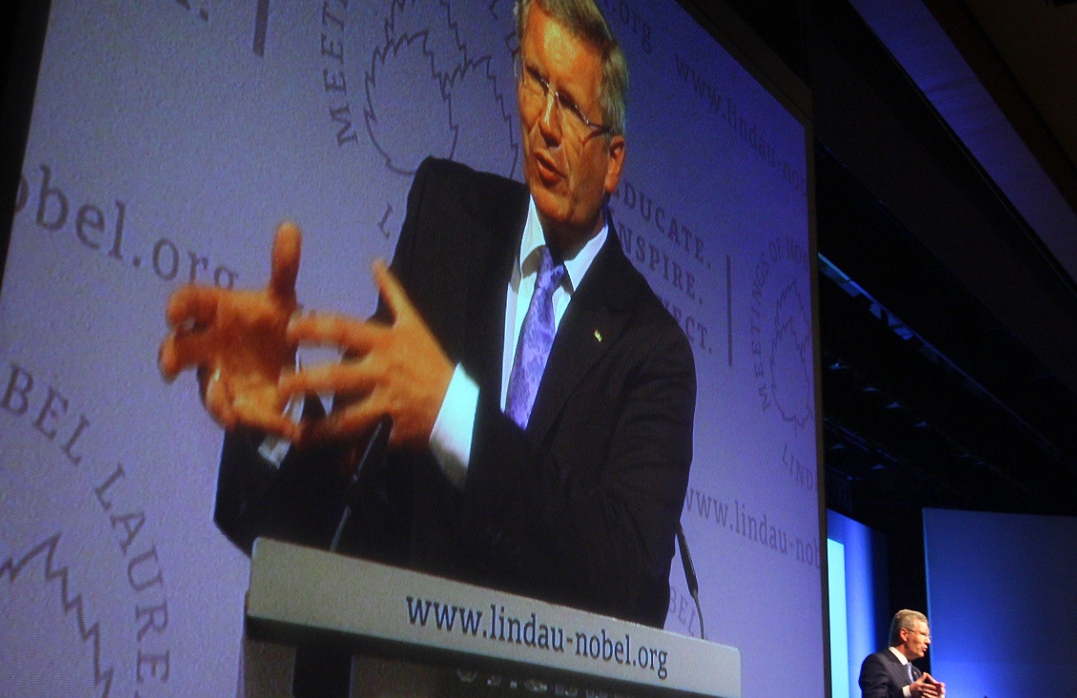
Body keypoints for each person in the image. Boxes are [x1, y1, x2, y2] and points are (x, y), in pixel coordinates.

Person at [158, 0, 694, 629]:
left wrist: (452, 415)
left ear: (614, 161)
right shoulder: (449, 218)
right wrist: (280, 419)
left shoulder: (653, 349)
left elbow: (629, 583)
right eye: (534, 80)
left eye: (572, 108)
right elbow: (349, 512)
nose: (543, 124)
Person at [858, 609, 947, 698]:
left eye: (928, 637)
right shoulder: (877, 663)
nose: (928, 641)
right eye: (923, 634)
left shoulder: (915, 672)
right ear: (904, 634)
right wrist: (907, 692)